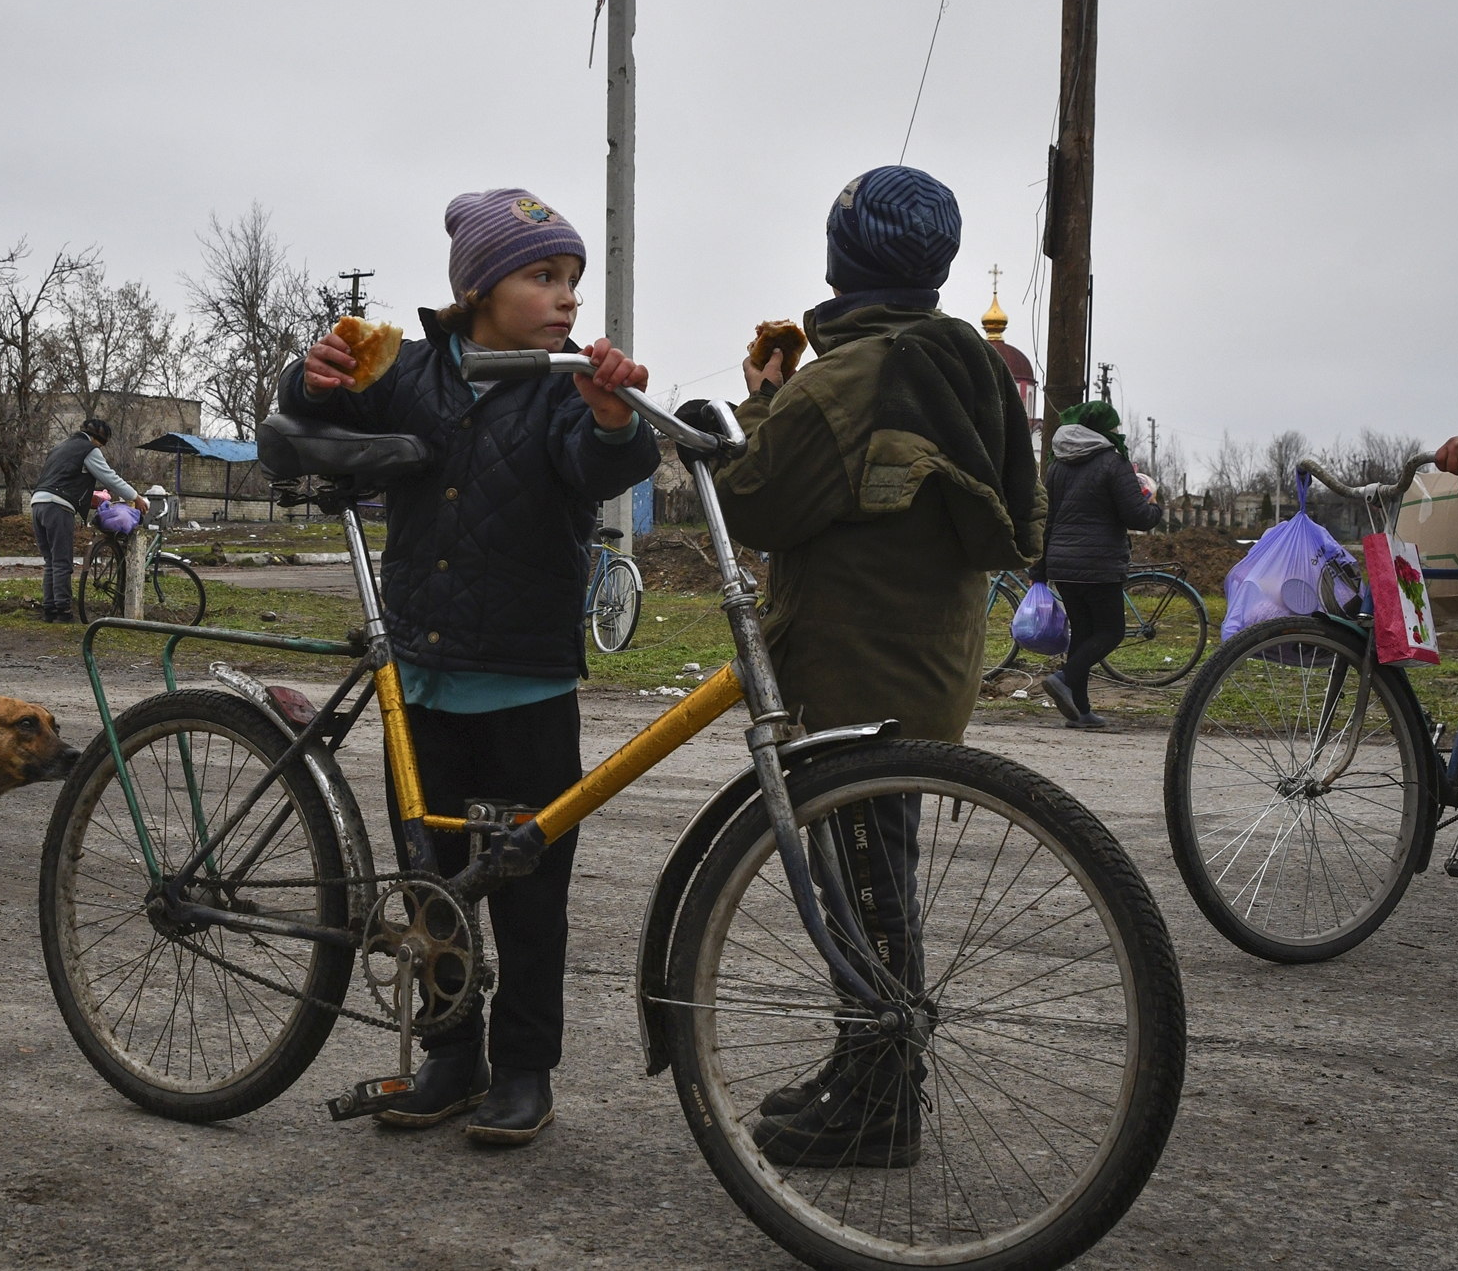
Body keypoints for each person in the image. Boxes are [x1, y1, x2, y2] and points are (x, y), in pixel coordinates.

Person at [280, 188, 659, 1145]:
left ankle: (526, 1068)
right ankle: (452, 1055)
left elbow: (599, 463)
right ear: (481, 285)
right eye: (544, 276)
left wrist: (615, 419)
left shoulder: (562, 384)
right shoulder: (409, 371)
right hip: (423, 674)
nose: (567, 297)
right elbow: (309, 405)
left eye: (573, 279)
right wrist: (311, 375)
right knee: (431, 881)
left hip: (528, 683)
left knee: (533, 893)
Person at [706, 166, 1045, 1167]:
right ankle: (859, 1065)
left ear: (839, 255)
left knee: (861, 889)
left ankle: (881, 1100)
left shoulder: (846, 379)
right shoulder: (968, 365)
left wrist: (763, 399)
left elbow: (751, 499)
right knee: (873, 876)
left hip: (851, 672)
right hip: (927, 661)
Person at [1033, 401, 1163, 728]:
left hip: (1064, 564)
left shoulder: (1059, 465)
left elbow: (1047, 519)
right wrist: (1155, 508)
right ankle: (1064, 677)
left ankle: (1080, 710)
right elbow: (1137, 516)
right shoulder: (1112, 462)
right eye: (1115, 427)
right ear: (1103, 428)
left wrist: (1041, 565)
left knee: (1084, 633)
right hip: (1099, 563)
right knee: (1111, 631)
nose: (1118, 432)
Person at [30, 418, 147, 623]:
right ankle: (64, 613)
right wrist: (135, 497)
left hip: (37, 503)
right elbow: (110, 477)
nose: (99, 449)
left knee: (51, 561)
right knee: (62, 562)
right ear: (96, 439)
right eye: (100, 445)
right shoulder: (88, 449)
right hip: (58, 507)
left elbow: (65, 478)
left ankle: (49, 611)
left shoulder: (60, 447)